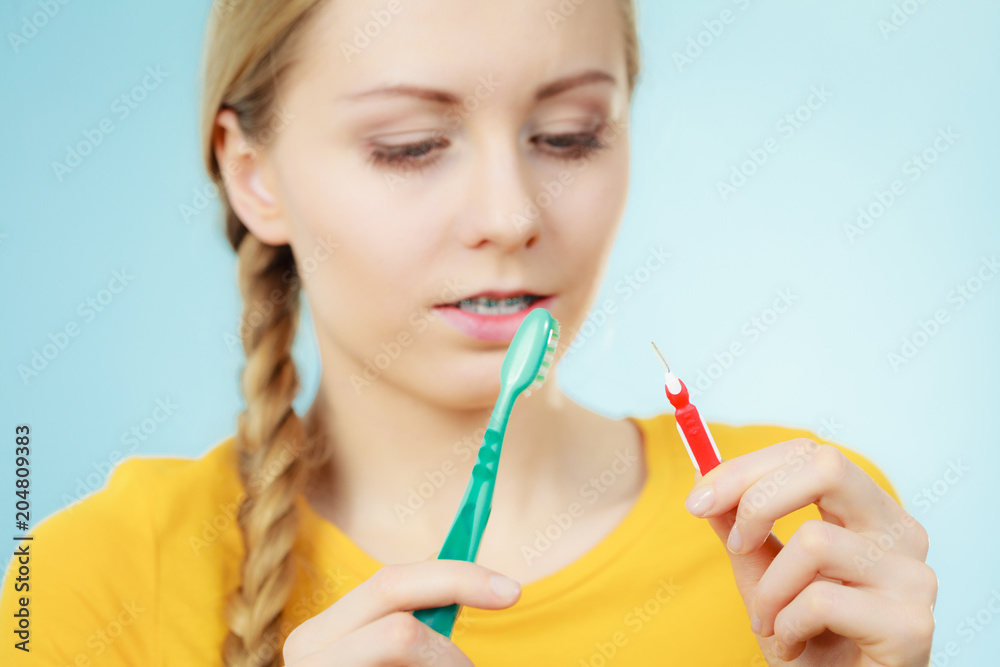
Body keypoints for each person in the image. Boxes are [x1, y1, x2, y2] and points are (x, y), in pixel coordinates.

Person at [0, 0, 937, 665]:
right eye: (409, 145)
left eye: (569, 135)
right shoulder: (92, 584)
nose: (510, 214)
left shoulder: (806, 541)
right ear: (254, 175)